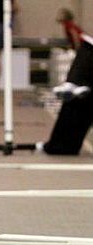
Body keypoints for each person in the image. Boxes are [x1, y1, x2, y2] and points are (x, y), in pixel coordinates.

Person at [38, 12, 93, 155]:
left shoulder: (70, 26)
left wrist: (74, 49)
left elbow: (75, 37)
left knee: (87, 50)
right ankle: (75, 83)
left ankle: (74, 82)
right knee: (80, 96)